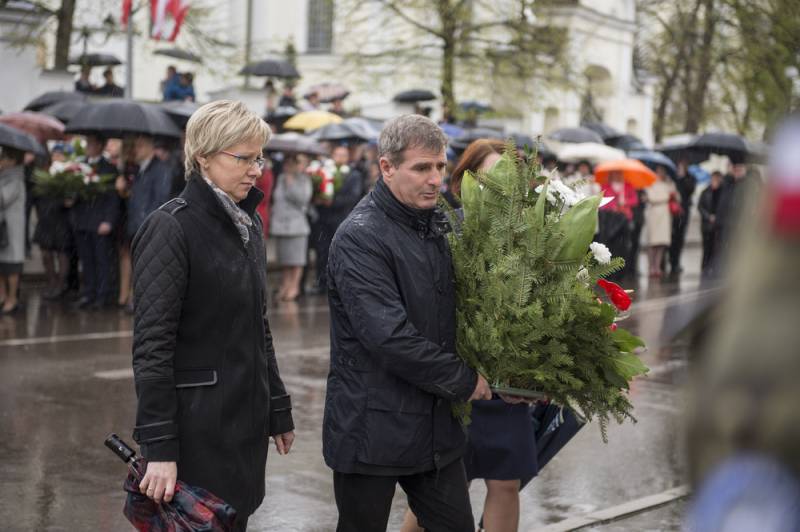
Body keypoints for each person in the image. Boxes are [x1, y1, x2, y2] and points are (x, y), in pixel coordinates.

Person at [131, 100, 295, 532]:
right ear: (203, 156)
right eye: (243, 158)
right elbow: (152, 347)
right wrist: (160, 447)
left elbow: (259, 325)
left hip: (244, 424)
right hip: (197, 432)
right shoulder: (171, 227)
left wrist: (277, 408)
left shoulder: (248, 223)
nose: (255, 170)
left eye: (259, 158)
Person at [323, 114, 492, 532]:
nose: (435, 179)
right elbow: (389, 337)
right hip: (372, 429)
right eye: (421, 168)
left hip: (434, 430)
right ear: (386, 167)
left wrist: (506, 374)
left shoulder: (438, 222)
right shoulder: (360, 236)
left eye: (440, 166)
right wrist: (465, 380)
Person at [403, 138, 535, 532]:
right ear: (465, 181)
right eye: (490, 178)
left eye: (509, 179)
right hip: (455, 381)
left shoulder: (530, 236)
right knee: (446, 489)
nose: (500, 188)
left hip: (506, 388)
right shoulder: (443, 229)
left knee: (506, 482)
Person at [70, 135, 120, 310]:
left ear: (100, 145)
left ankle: (103, 295)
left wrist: (108, 221)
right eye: (87, 144)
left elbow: (113, 198)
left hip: (100, 222)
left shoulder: (109, 168)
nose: (88, 147)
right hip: (82, 221)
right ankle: (88, 293)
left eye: (91, 143)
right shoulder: (79, 166)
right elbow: (74, 190)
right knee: (86, 260)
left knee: (102, 260)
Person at [312, 144, 364, 293]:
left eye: (343, 155)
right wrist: (319, 199)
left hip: (342, 219)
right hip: (324, 219)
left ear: (347, 158)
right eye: (337, 155)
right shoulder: (324, 172)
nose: (340, 158)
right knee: (322, 251)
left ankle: (339, 284)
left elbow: (353, 196)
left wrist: (332, 202)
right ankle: (322, 283)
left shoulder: (354, 175)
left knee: (340, 252)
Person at [270, 153, 313, 301]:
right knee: (285, 260)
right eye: (286, 164)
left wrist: (291, 184)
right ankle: (285, 285)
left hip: (296, 225)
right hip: (281, 224)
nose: (287, 167)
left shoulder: (304, 179)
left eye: (290, 164)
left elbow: (303, 200)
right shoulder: (280, 178)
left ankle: (294, 287)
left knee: (296, 260)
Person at [34, 146, 73, 299]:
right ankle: (51, 282)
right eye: (55, 154)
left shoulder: (68, 174)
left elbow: (70, 197)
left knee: (62, 253)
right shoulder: (42, 175)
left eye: (60, 155)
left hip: (61, 219)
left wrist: (65, 200)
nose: (57, 157)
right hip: (45, 218)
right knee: (46, 254)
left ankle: (61, 285)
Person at [125, 135, 173, 242]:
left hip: (149, 230)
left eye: (139, 146)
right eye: (135, 146)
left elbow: (161, 200)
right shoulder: (139, 168)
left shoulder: (161, 169)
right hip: (137, 229)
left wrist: (147, 224)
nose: (135, 149)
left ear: (150, 147)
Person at [0, 147, 26, 314]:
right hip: (2, 229)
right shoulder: (3, 177)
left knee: (12, 267)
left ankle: (12, 298)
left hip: (11, 230)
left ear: (13, 161)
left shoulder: (16, 179)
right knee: (1, 265)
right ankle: (2, 295)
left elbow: (2, 199)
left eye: (4, 158)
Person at [598, 170, 638, 281]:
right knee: (610, 245)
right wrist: (613, 206)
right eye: (615, 173)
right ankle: (609, 271)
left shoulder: (628, 186)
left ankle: (621, 271)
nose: (617, 175)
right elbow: (602, 202)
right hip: (610, 220)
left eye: (619, 173)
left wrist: (625, 202)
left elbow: (635, 200)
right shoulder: (605, 186)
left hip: (625, 218)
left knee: (624, 246)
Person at [644, 165, 676, 278]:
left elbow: (675, 195)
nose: (660, 174)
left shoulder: (668, 184)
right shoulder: (650, 183)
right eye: (658, 172)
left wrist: (670, 186)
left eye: (662, 172)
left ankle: (657, 266)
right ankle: (651, 267)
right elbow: (652, 197)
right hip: (654, 214)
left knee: (661, 242)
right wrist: (664, 197)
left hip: (664, 215)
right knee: (653, 243)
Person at [668, 160, 697, 276]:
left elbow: (690, 190)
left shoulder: (690, 178)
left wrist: (684, 178)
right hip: (672, 212)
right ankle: (669, 261)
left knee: (680, 238)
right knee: (671, 238)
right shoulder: (673, 178)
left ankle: (676, 262)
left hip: (683, 212)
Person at [698, 170, 724, 276]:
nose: (715, 181)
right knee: (706, 247)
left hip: (717, 224)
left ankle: (714, 267)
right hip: (706, 224)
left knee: (716, 248)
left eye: (717, 179)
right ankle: (705, 267)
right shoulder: (705, 192)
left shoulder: (723, 192)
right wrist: (708, 216)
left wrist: (718, 216)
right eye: (713, 179)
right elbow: (700, 207)